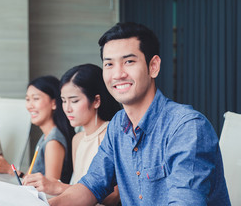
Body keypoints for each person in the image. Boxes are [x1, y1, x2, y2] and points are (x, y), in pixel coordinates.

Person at [49, 22, 230, 205]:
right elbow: (92, 185)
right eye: (109, 64)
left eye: (129, 61)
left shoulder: (187, 127)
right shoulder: (118, 125)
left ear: (153, 66)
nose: (118, 74)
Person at [23, 64, 121, 205]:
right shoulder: (77, 139)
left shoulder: (110, 135)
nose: (67, 108)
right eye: (63, 101)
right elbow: (76, 189)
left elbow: (113, 197)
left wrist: (58, 187)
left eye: (74, 101)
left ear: (96, 101)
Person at [25, 76, 75, 183]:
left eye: (36, 99)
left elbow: (49, 188)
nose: (29, 105)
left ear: (54, 103)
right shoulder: (46, 136)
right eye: (28, 99)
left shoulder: (53, 141)